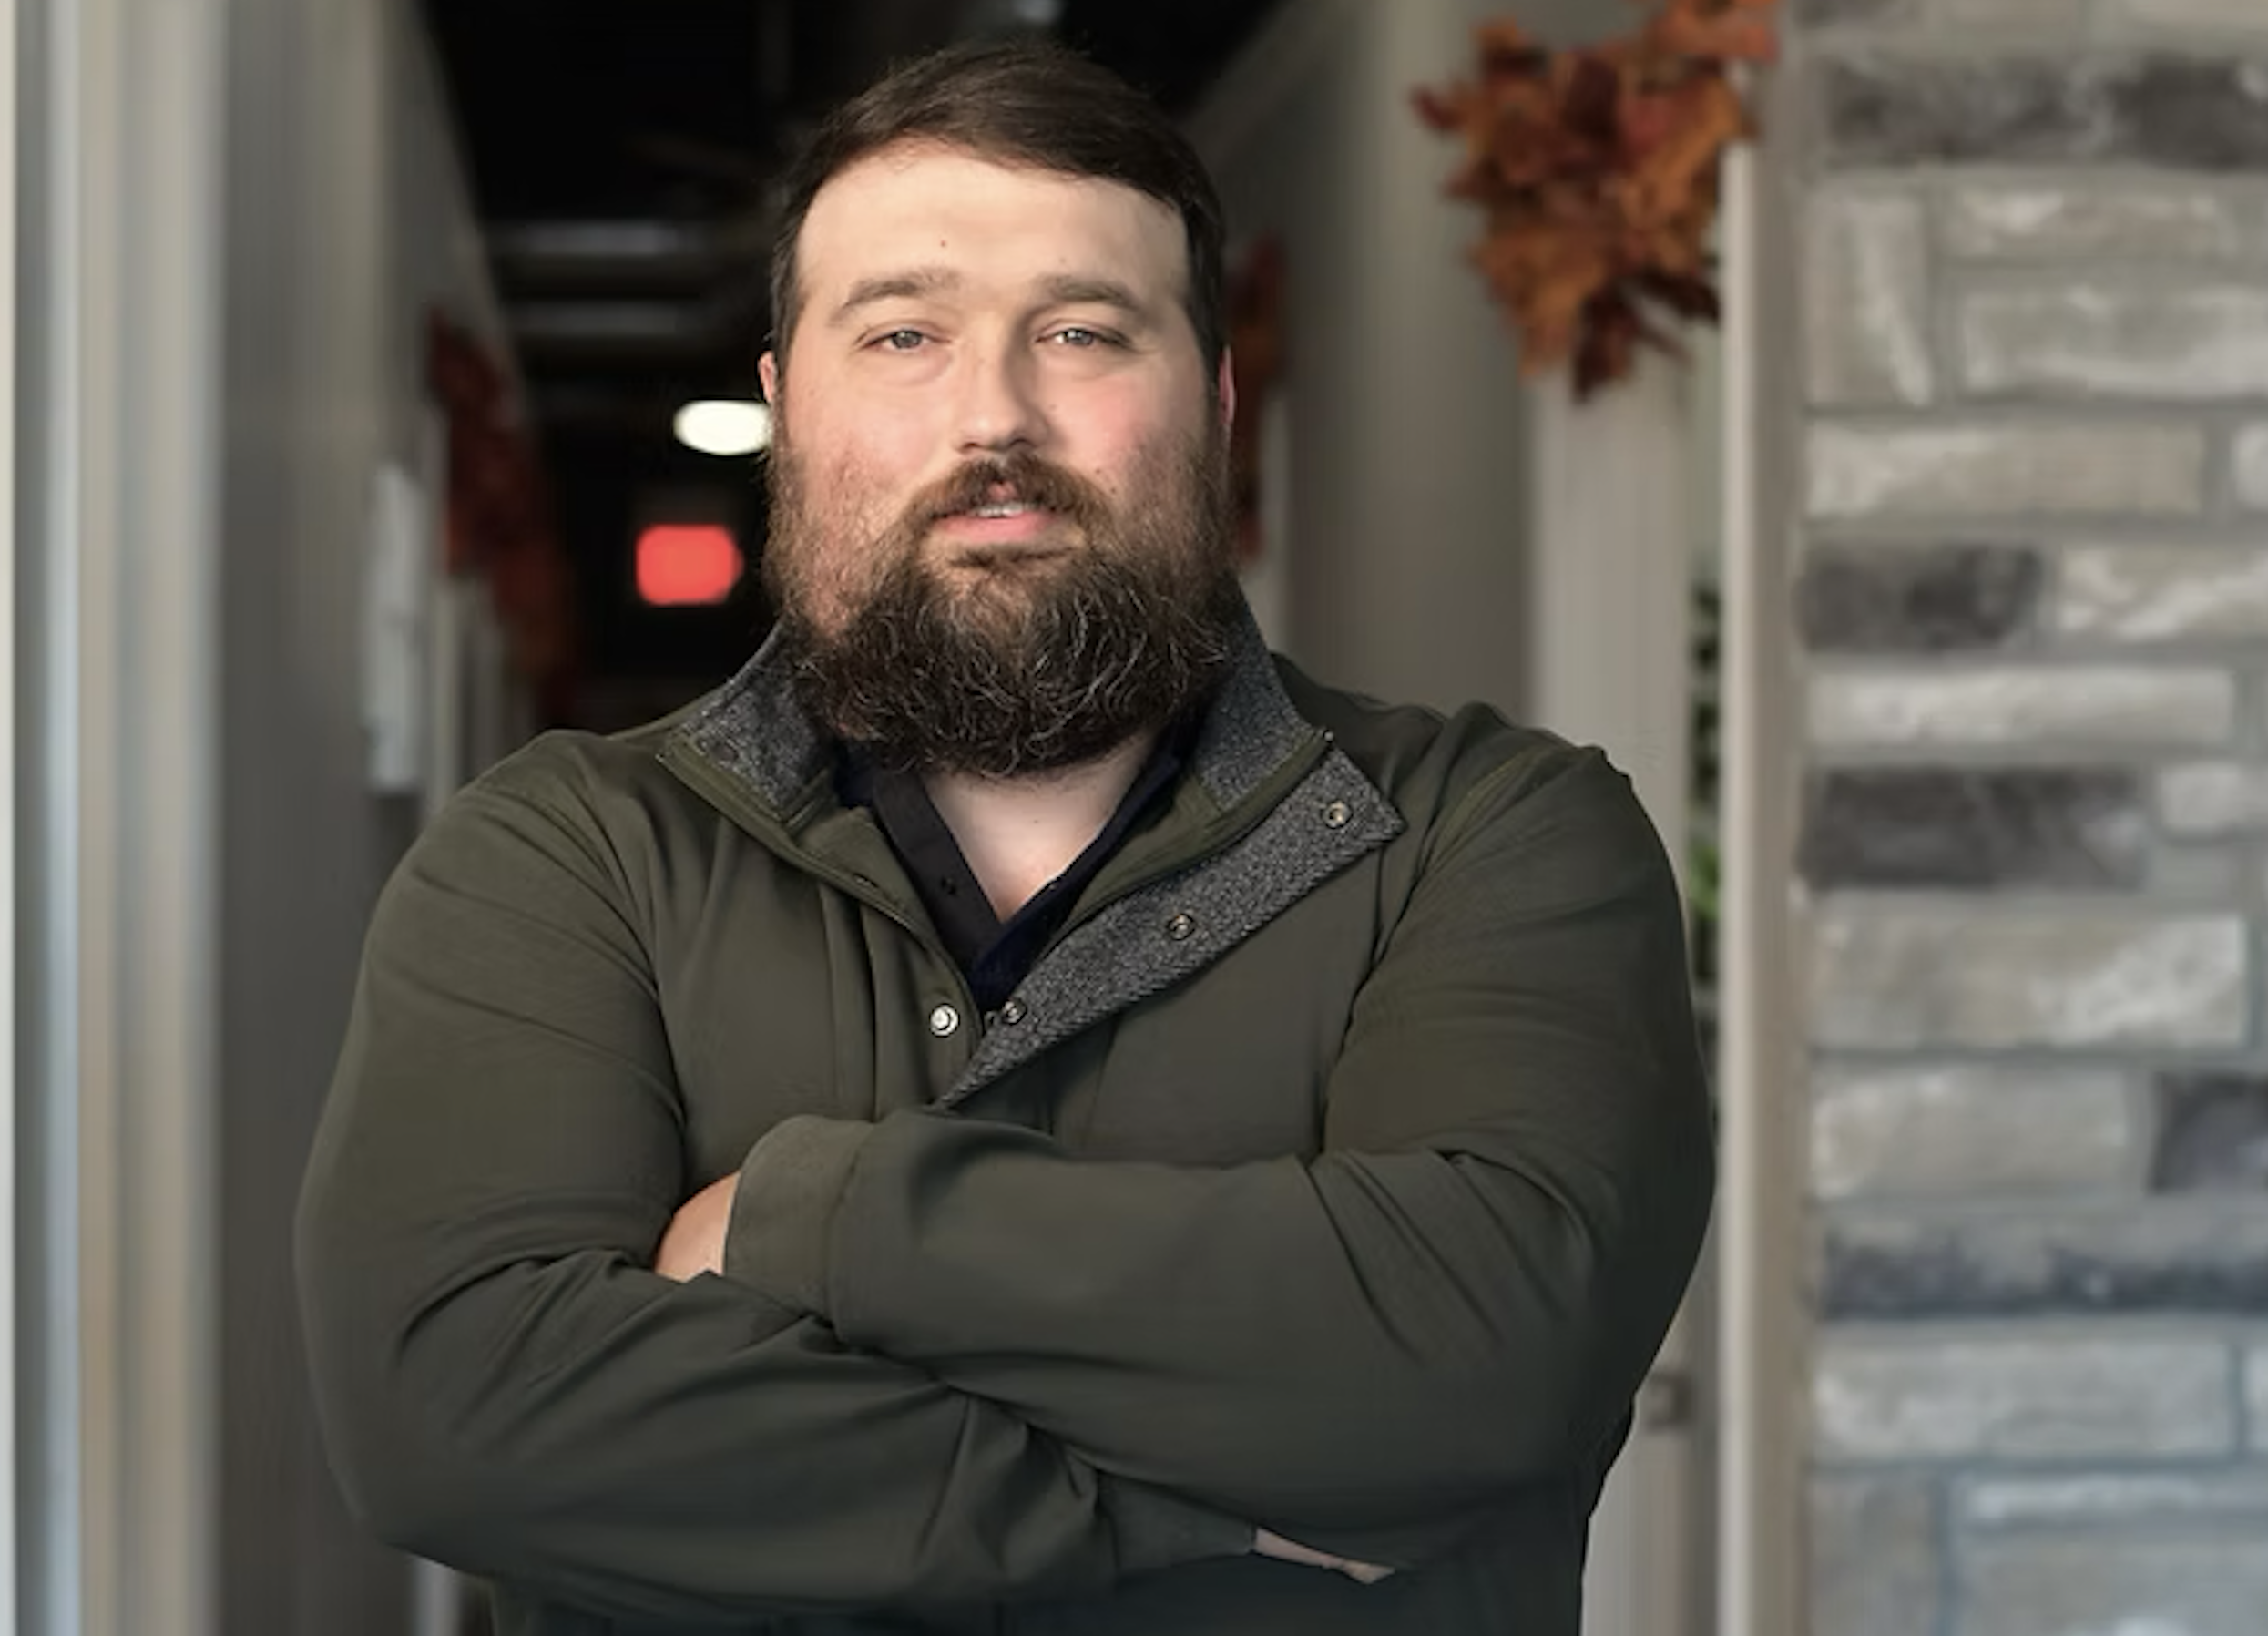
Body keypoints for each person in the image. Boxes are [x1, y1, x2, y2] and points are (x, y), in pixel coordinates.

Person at [294, 36, 1714, 1636]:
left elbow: (1475, 1364)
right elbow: (454, 1413)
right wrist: (1167, 1521)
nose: (994, 416)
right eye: (902, 333)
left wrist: (808, 1217)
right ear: (783, 407)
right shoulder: (566, 858)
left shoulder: (1490, 836)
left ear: (1215, 399)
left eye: (1081, 331)